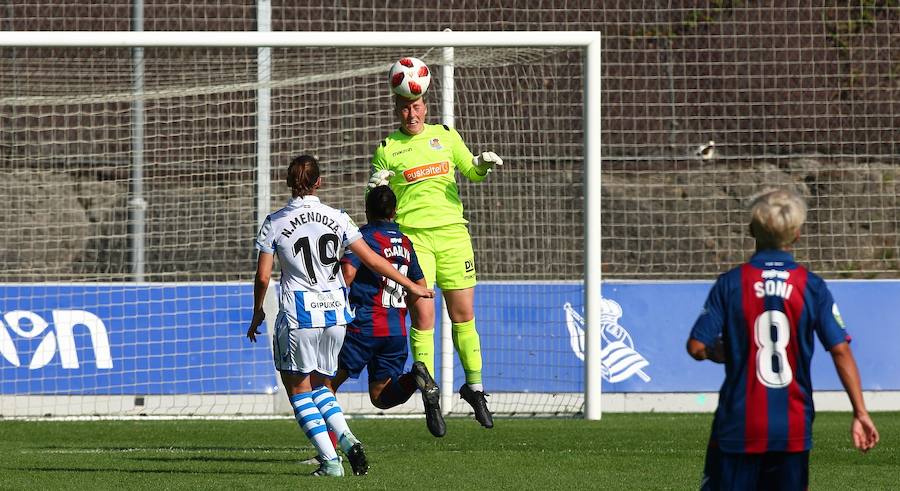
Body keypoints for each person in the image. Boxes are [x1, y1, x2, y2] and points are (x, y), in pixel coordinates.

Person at [246, 155, 434, 477]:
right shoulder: (339, 218)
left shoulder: (275, 222)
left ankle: (331, 461)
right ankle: (347, 441)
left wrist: (258, 312)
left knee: (299, 390)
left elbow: (264, 277)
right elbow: (374, 261)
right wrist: (411, 286)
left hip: (299, 314)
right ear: (320, 182)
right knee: (321, 385)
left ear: (288, 182)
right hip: (336, 314)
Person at [687, 188, 879, 490]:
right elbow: (840, 350)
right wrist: (860, 412)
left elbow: (696, 346)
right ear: (798, 235)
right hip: (792, 424)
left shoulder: (731, 283)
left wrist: (715, 353)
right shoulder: (811, 286)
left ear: (751, 230)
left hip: (739, 423)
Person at [367, 89, 502, 429]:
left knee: (464, 316)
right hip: (415, 241)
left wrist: (482, 165)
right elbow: (376, 201)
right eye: (404, 109)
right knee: (423, 317)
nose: (411, 114)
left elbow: (471, 171)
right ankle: (429, 394)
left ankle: (475, 389)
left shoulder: (445, 135)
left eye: (415, 107)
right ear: (397, 110)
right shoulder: (387, 149)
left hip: (454, 237)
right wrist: (374, 187)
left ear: (425, 106)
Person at [324, 185, 446, 438]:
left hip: (364, 327)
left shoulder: (362, 238)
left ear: (366, 211)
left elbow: (347, 275)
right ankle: (414, 378)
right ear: (395, 212)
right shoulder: (405, 242)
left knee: (325, 387)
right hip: (395, 330)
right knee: (380, 397)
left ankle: (331, 452)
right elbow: (419, 287)